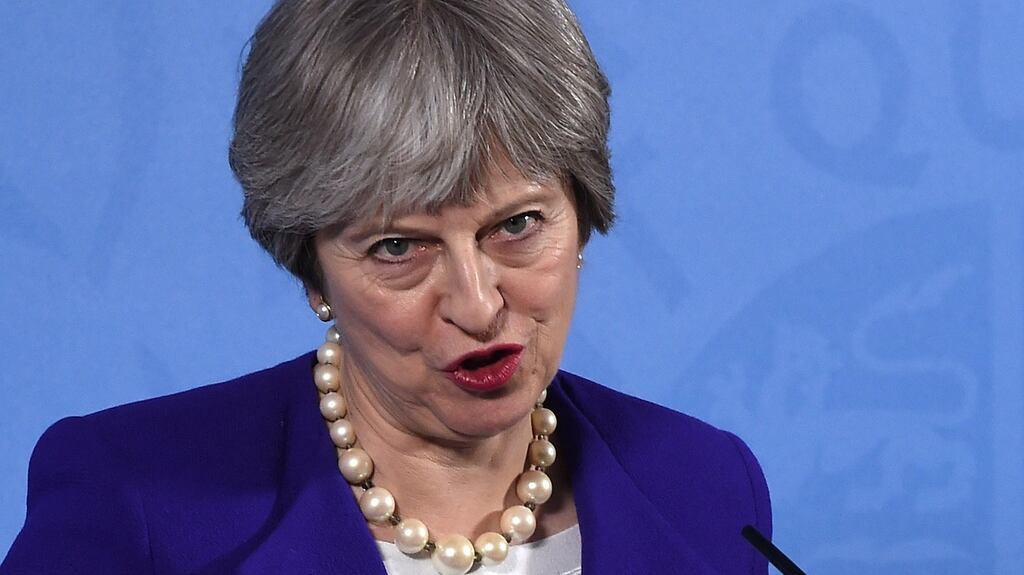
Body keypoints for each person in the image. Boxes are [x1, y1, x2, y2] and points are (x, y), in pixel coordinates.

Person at [1, 1, 771, 573]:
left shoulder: (705, 488)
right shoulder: (133, 498)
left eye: (517, 225)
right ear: (313, 267)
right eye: (399, 245)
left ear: (584, 211)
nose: (475, 303)